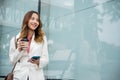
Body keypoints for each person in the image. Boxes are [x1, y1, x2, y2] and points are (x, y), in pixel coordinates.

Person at [9, 10, 49, 80]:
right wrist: (19, 50)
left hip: (36, 76)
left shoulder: (42, 39)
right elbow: (12, 61)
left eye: (37, 20)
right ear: (26, 20)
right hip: (20, 76)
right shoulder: (15, 39)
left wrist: (38, 62)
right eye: (32, 19)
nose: (35, 22)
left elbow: (46, 59)